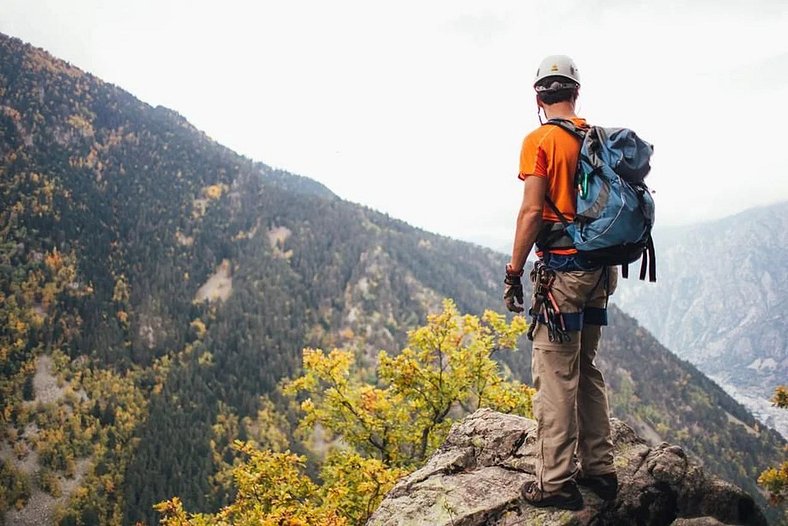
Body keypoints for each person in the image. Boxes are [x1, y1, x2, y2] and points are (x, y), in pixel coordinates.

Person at [504, 55, 618, 510]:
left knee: (554, 375)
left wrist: (514, 272)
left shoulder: (540, 140)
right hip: (601, 270)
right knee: (586, 367)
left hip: (563, 275)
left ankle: (555, 484)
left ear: (538, 97)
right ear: (575, 93)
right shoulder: (597, 137)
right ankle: (601, 470)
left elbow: (532, 211)